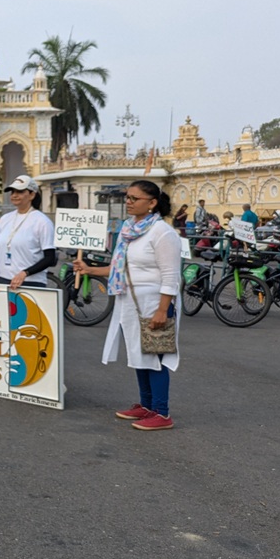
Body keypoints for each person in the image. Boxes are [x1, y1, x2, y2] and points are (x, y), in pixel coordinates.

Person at [73, 179, 180, 431]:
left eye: (134, 198)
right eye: (127, 198)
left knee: (154, 353)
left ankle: (162, 412)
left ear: (152, 203)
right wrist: (89, 269)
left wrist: (162, 310)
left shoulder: (162, 232)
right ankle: (146, 405)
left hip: (153, 301)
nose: (128, 202)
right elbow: (119, 267)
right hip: (129, 301)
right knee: (137, 353)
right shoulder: (128, 229)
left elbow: (171, 276)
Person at [0, 175, 56, 289]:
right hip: (4, 279)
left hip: (30, 282)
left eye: (20, 192)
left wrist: (25, 273)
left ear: (32, 195)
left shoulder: (42, 222)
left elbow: (49, 258)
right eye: (12, 192)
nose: (14, 195)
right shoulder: (5, 219)